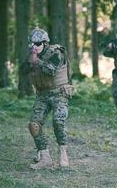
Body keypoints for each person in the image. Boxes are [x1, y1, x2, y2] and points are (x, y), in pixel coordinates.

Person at [22, 28, 74, 169]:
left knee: (58, 121)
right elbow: (22, 71)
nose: (34, 47)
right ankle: (45, 157)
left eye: (38, 44)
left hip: (59, 93)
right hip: (43, 95)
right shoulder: (32, 55)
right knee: (34, 125)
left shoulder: (56, 52)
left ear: (45, 43)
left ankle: (63, 152)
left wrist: (36, 61)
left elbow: (52, 70)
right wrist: (29, 61)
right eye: (31, 44)